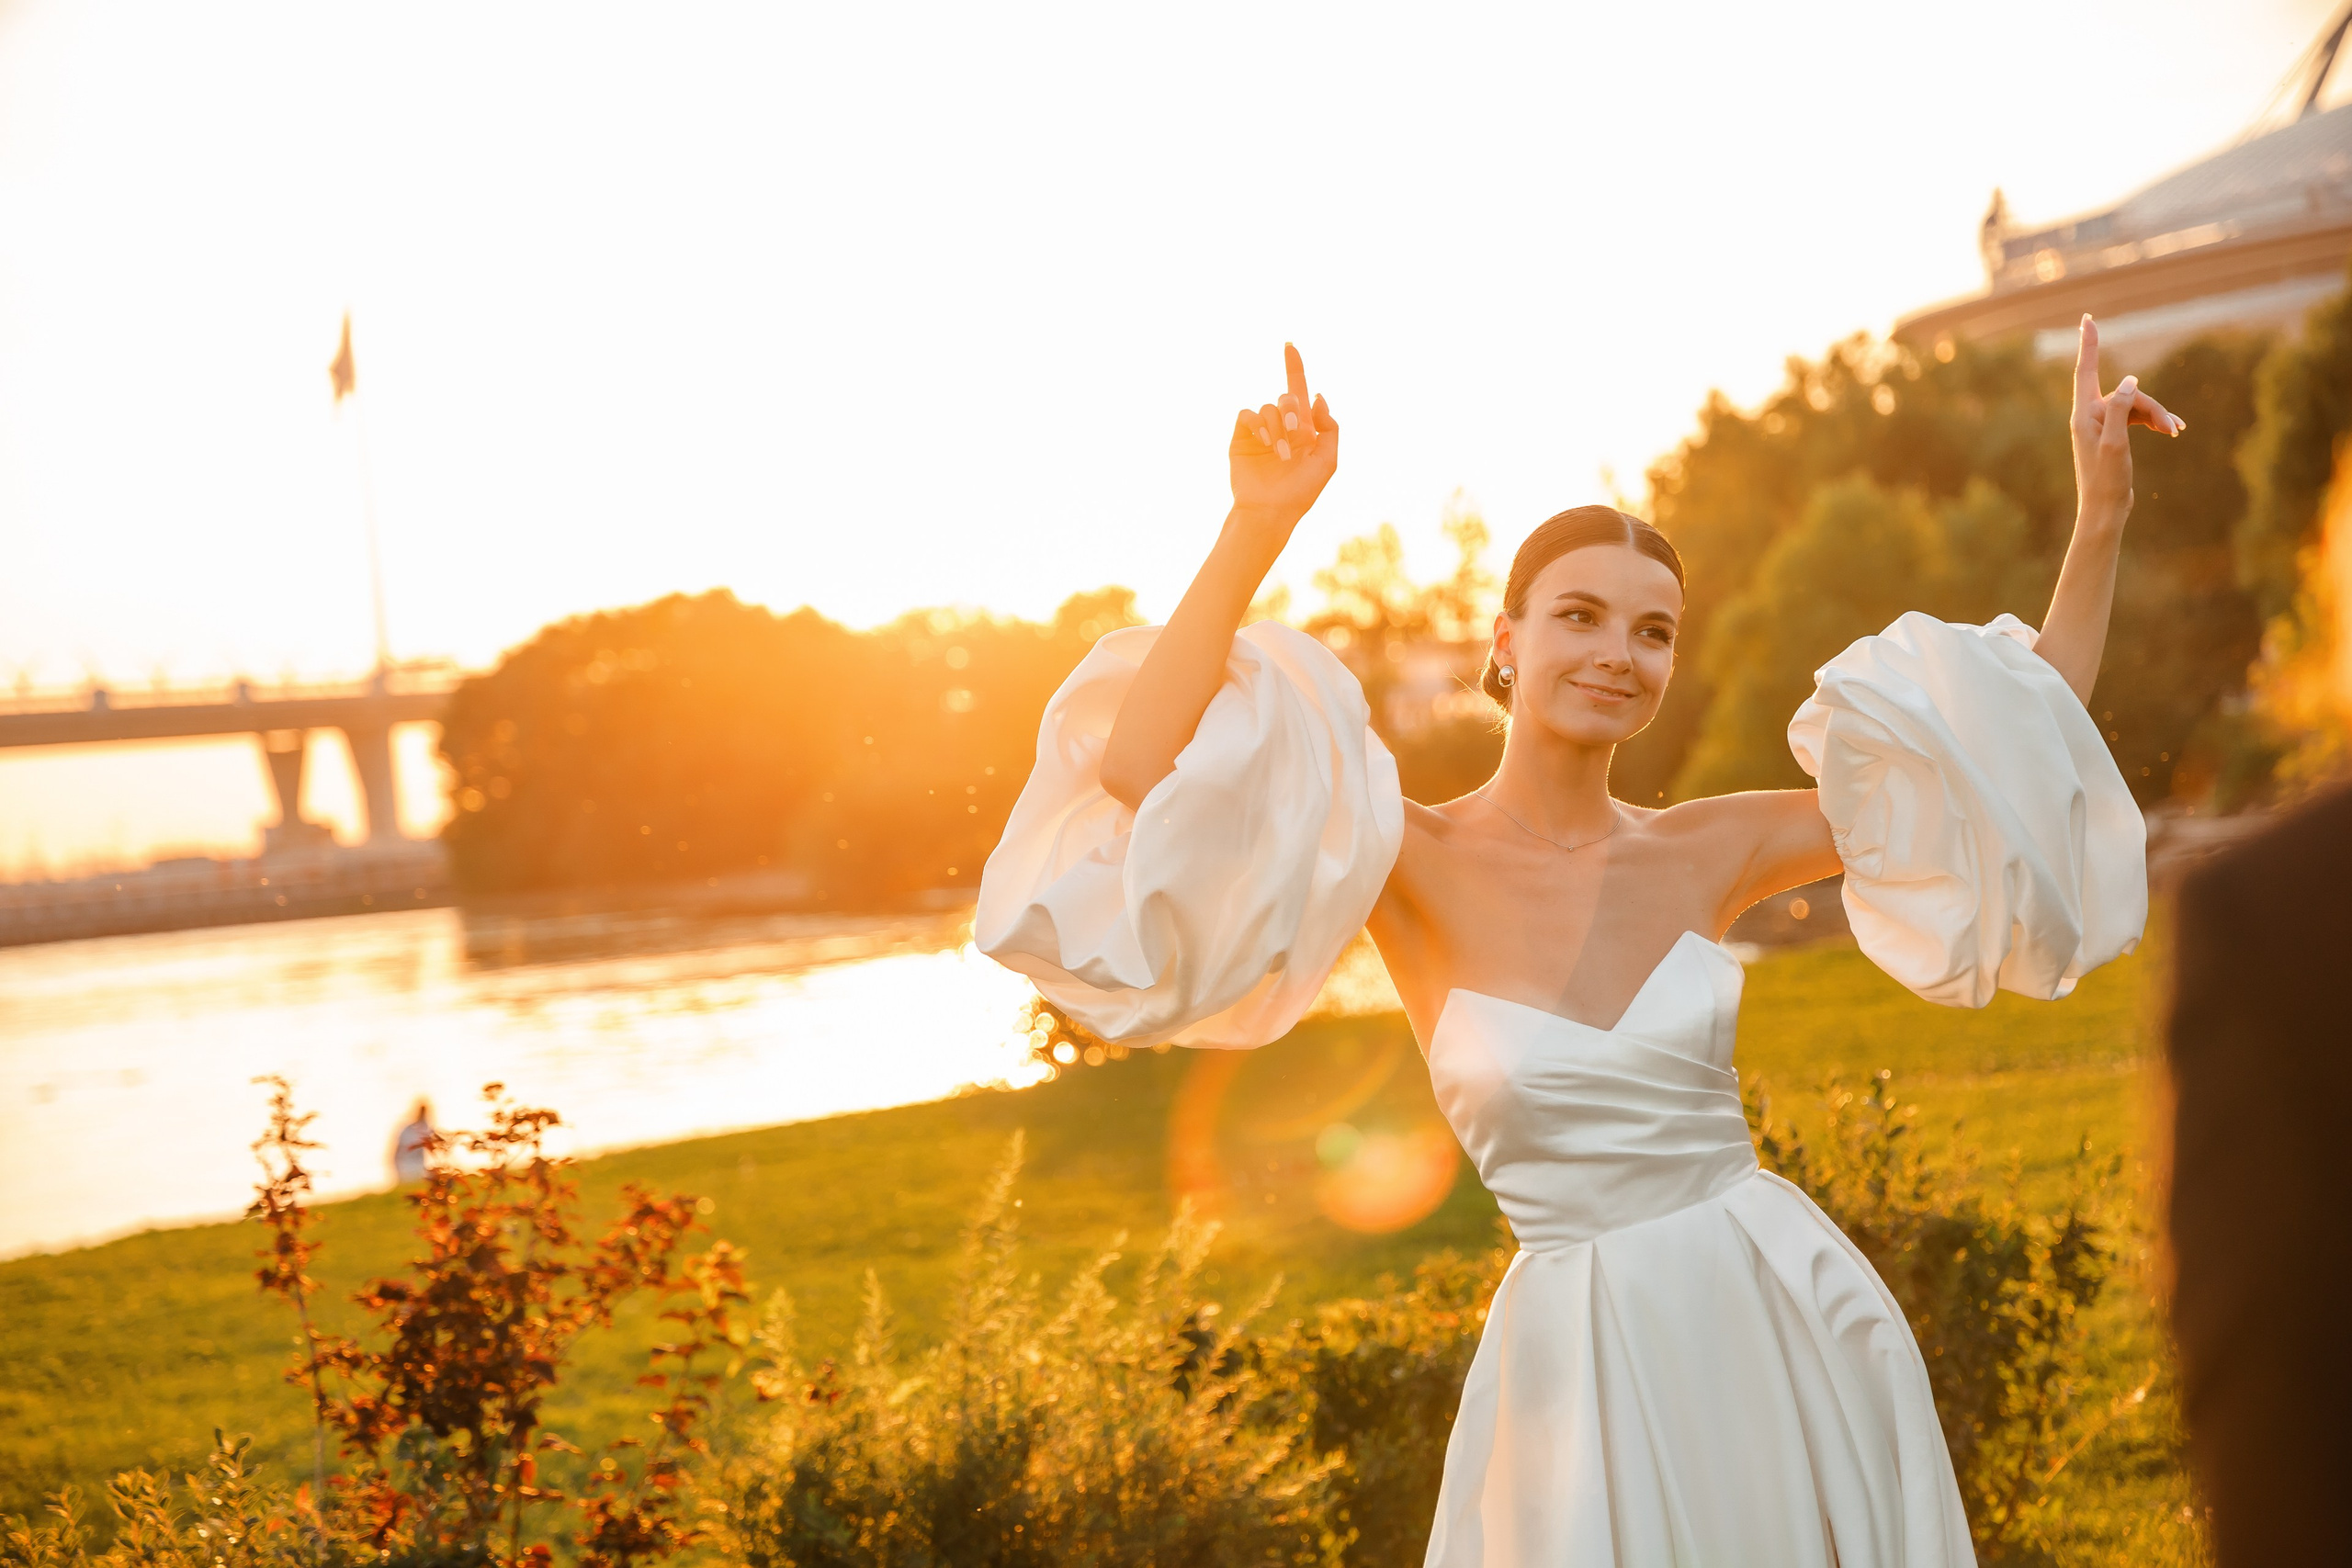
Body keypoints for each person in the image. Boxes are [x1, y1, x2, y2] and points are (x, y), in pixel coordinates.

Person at [978, 320, 2175, 1564]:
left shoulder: (1711, 847)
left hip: (1774, 1311)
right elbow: (1136, 763)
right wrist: (1259, 523)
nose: (1617, 652)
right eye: (1582, 615)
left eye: (1652, 631)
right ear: (1507, 639)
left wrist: (2098, 517)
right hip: (1579, 1360)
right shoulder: (1404, 853)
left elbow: (2009, 750)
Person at [391, 1099, 435, 1185]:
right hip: (405, 1166)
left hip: (418, 1167)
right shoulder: (407, 1129)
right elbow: (397, 1151)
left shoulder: (427, 1128)